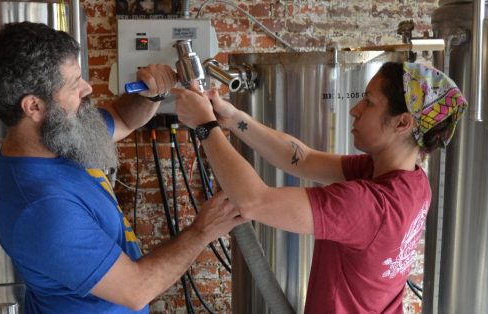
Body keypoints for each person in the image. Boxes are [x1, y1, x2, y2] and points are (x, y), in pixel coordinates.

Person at [0, 21, 245, 313]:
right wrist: (202, 231)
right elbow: (136, 288)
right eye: (74, 84)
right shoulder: (43, 208)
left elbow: (121, 117)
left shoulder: (58, 138)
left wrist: (151, 94)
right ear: (34, 107)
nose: (88, 88)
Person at [172, 62, 467, 313]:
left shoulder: (367, 205)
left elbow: (253, 202)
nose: (354, 109)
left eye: (369, 101)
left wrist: (205, 127)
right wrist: (233, 118)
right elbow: (303, 159)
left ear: (402, 122)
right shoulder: (410, 181)